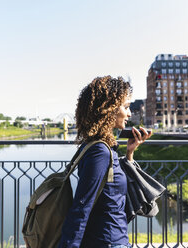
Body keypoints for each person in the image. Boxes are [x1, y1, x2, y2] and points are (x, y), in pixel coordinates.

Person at [58, 76, 151, 248]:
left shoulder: (100, 147)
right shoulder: (100, 152)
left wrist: (129, 153)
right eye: (126, 107)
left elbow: (109, 190)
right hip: (108, 241)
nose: (129, 113)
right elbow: (81, 207)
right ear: (109, 109)